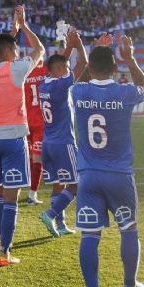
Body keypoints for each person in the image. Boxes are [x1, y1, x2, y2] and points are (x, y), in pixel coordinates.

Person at [71, 34, 144, 287]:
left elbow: (78, 81)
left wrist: (93, 52)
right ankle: (129, 285)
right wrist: (130, 58)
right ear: (115, 68)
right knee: (128, 229)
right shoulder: (124, 91)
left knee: (90, 235)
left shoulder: (79, 91)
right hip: (119, 175)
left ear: (91, 66)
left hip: (89, 176)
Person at [0, 5, 45, 266]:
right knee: (11, 197)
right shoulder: (15, 69)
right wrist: (25, 26)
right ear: (8, 52)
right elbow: (39, 50)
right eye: (15, 49)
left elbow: (3, 50)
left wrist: (12, 33)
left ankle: (1, 241)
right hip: (14, 140)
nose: (18, 52)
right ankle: (5, 251)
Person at [37, 27, 87, 237]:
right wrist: (78, 44)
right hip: (64, 143)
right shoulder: (61, 85)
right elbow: (83, 64)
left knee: (59, 184)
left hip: (48, 143)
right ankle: (51, 213)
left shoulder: (44, 83)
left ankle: (60, 224)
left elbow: (58, 64)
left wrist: (67, 48)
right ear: (58, 70)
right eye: (65, 69)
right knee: (76, 185)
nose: (68, 71)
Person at [23, 57, 47, 205]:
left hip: (26, 122)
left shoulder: (25, 74)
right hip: (41, 122)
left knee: (30, 158)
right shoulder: (46, 72)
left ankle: (14, 191)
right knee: (38, 160)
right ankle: (32, 196)